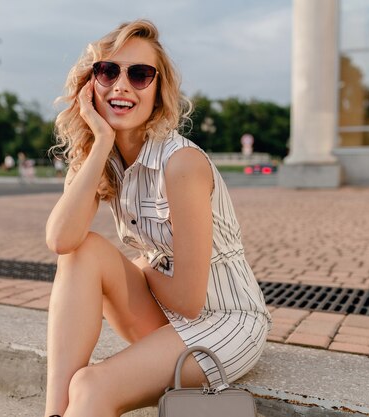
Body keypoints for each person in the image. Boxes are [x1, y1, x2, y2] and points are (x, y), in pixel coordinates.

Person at [45, 19, 271, 417]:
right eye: (107, 71)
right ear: (89, 85)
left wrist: (144, 267)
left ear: (158, 91)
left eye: (140, 74)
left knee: (92, 385)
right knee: (84, 251)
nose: (121, 85)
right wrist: (100, 145)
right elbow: (61, 241)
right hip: (167, 318)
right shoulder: (99, 158)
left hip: (226, 323)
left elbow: (188, 299)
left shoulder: (181, 164)